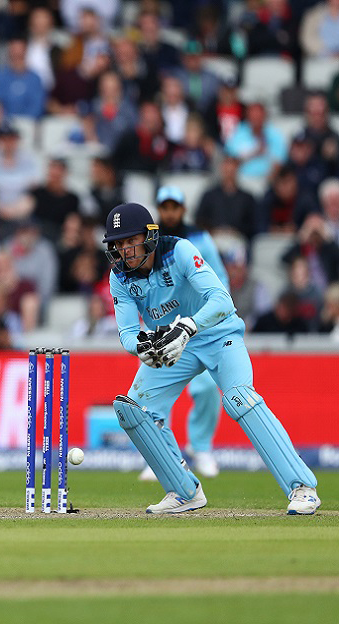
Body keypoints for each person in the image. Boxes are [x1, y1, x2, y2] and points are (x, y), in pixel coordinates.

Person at [104, 201, 320, 515]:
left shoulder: (178, 251)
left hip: (218, 334)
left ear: (149, 235)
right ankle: (184, 491)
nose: (125, 250)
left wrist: (187, 327)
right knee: (133, 410)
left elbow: (222, 300)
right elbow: (126, 332)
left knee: (239, 398)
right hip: (172, 345)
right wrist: (143, 347)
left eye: (131, 240)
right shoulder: (119, 277)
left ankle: (303, 488)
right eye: (119, 244)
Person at [136, 186, 230, 481]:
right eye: (164, 207)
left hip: (196, 324)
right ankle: (161, 455)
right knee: (156, 391)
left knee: (206, 389)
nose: (169, 212)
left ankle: (200, 447)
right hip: (161, 323)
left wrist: (215, 317)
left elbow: (219, 279)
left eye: (174, 207)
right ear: (159, 209)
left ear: (183, 209)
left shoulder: (200, 238)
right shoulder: (149, 241)